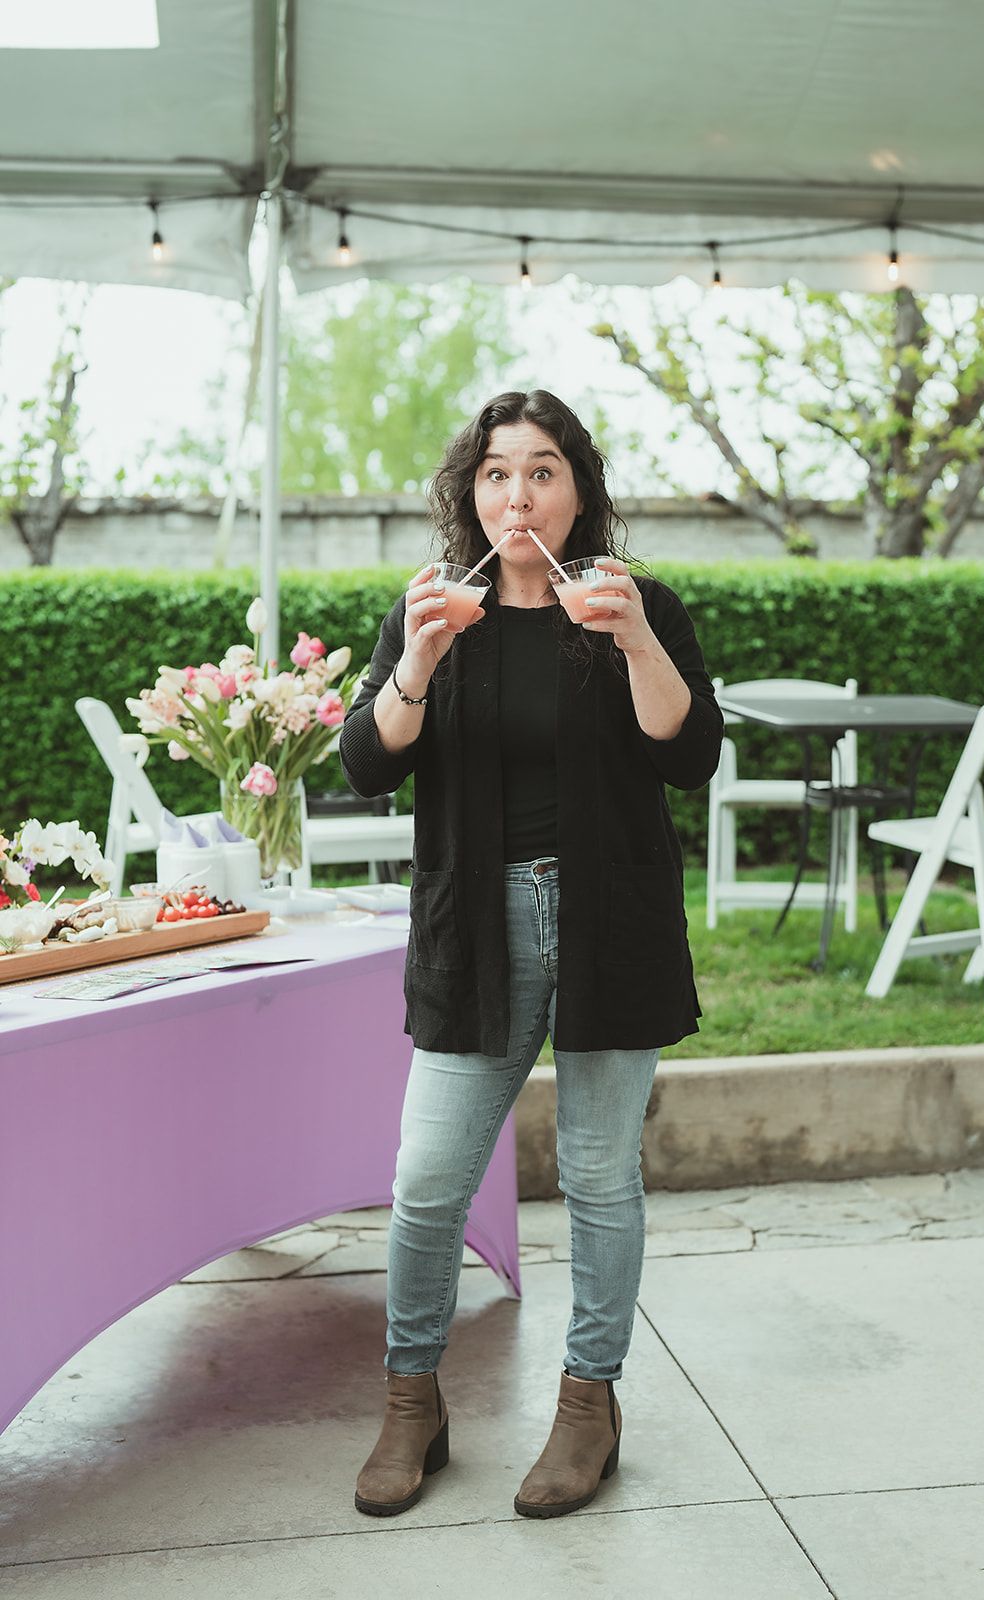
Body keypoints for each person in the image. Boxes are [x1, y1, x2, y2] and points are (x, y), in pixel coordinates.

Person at [339, 389, 722, 1520]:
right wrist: (414, 658)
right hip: (476, 925)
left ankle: (586, 1407)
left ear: (577, 491)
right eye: (498, 472)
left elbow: (690, 752)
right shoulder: (432, 612)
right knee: (424, 1187)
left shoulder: (633, 602)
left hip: (612, 917)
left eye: (543, 470)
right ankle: (413, 1404)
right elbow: (367, 762)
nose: (519, 493)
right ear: (470, 490)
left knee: (602, 1181)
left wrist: (637, 638)